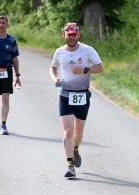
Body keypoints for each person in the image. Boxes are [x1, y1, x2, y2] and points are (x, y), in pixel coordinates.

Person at [49, 22, 104, 178]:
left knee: (78, 134)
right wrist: (54, 79)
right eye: (69, 34)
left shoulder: (87, 50)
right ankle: (70, 165)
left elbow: (100, 67)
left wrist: (84, 70)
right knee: (68, 131)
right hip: (65, 94)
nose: (71, 37)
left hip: (82, 95)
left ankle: (75, 149)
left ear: (78, 35)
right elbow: (53, 68)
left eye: (74, 34)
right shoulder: (59, 52)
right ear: (64, 35)